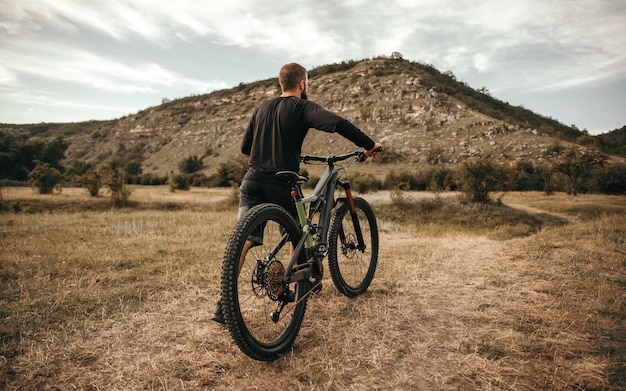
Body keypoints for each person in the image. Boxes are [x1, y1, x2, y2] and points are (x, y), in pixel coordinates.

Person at [212, 62, 382, 324]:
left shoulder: (261, 108)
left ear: (282, 83)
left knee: (243, 240)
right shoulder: (302, 107)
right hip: (281, 183)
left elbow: (247, 147)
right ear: (302, 83)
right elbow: (336, 122)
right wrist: (369, 144)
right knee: (298, 235)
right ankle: (297, 284)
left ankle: (223, 306)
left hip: (252, 181)